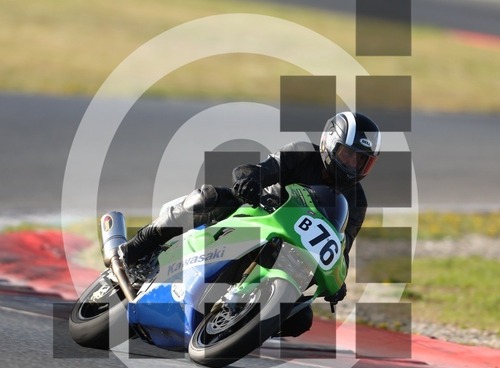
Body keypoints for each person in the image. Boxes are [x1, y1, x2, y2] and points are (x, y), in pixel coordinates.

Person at [119, 111, 381, 336]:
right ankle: (137, 247)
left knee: (301, 319)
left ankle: (242, 327)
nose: (353, 165)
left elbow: (342, 246)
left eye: (361, 160)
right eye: (348, 155)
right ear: (330, 144)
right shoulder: (302, 153)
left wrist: (338, 280)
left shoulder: (357, 201)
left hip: (293, 255)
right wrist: (249, 181)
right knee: (208, 198)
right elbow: (256, 169)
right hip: (259, 213)